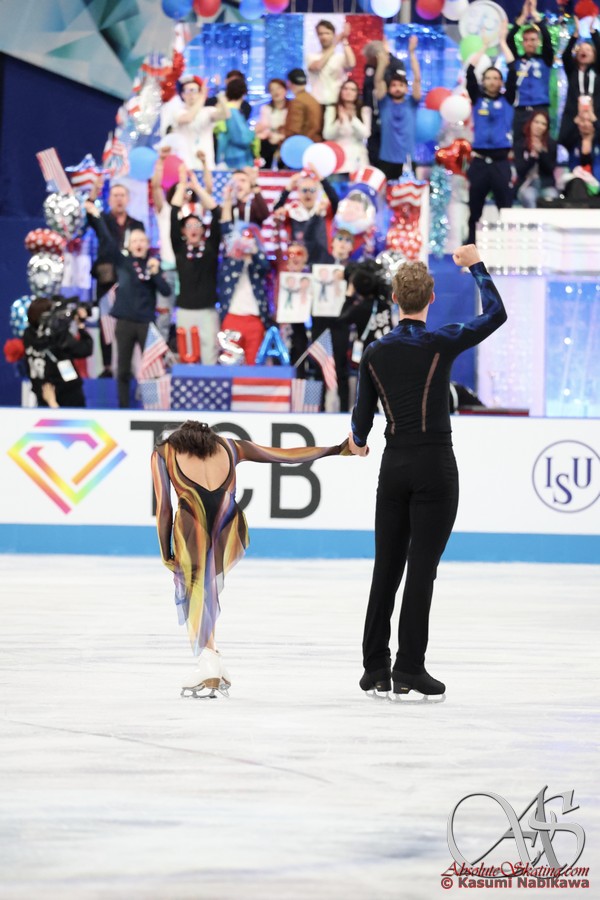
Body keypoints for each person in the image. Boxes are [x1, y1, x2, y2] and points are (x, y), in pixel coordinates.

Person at [348, 244, 507, 701]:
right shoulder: (442, 341)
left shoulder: (375, 352)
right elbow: (495, 314)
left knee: (386, 568)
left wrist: (358, 441)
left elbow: (362, 419)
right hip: (434, 467)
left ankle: (375, 668)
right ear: (431, 299)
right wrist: (475, 266)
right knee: (421, 570)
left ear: (395, 299)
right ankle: (409, 668)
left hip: (394, 467)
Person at [151, 420, 350, 697]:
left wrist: (166, 552)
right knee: (205, 588)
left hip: (191, 526)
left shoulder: (164, 452)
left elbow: (164, 508)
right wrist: (337, 449)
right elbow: (284, 455)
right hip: (228, 524)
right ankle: (214, 658)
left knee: (196, 589)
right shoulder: (229, 446)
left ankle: (208, 660)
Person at [86, 200, 171, 408]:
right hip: (124, 322)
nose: (139, 244)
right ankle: (123, 407)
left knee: (151, 368)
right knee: (123, 369)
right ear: (129, 245)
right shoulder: (122, 262)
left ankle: (152, 407)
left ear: (147, 243)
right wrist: (96, 216)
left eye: (142, 240)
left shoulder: (152, 264)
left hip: (145, 323)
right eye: (135, 241)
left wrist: (156, 273)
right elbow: (106, 239)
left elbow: (166, 291)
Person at [87, 181, 145, 378]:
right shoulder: (102, 219)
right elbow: (89, 212)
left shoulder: (136, 224)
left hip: (128, 278)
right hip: (107, 277)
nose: (119, 199)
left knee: (128, 321)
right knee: (106, 321)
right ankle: (107, 366)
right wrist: (94, 192)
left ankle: (129, 365)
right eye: (115, 195)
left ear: (128, 199)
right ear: (109, 199)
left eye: (122, 195)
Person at [466, 31, 517, 244]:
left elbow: (513, 70)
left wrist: (503, 42)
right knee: (474, 210)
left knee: (505, 208)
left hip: (500, 162)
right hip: (479, 162)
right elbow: (470, 71)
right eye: (488, 78)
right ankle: (471, 247)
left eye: (496, 78)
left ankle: (508, 247)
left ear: (501, 82)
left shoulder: (508, 99)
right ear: (483, 81)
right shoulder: (477, 98)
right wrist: (484, 48)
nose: (492, 81)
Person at [170, 166, 221, 364]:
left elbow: (216, 212)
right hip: (185, 311)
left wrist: (198, 188)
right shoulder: (180, 249)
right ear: (183, 231)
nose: (193, 229)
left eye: (197, 225)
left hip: (208, 311)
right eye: (188, 225)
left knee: (210, 353)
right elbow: (173, 212)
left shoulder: (210, 248)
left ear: (202, 229)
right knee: (187, 354)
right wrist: (182, 185)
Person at [219, 185, 271, 365]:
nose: (246, 240)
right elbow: (225, 228)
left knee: (253, 366)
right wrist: (227, 201)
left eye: (250, 237)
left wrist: (254, 252)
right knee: (229, 366)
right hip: (232, 316)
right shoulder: (231, 261)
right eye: (243, 236)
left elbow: (265, 267)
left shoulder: (259, 264)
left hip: (255, 319)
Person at [23, 297, 94, 408]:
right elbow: (84, 349)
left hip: (42, 391)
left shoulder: (28, 335)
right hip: (66, 394)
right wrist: (80, 326)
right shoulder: (58, 335)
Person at [506, 0, 554, 157]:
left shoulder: (545, 59)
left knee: (542, 149)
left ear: (538, 41)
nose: (529, 43)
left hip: (540, 110)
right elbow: (509, 39)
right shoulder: (516, 61)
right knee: (519, 148)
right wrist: (522, 17)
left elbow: (547, 39)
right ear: (523, 43)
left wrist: (535, 16)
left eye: (533, 39)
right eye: (526, 40)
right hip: (521, 110)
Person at [374, 36, 421, 180]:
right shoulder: (384, 103)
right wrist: (382, 63)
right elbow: (378, 81)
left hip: (408, 159)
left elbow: (417, 79)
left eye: (401, 85)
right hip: (387, 159)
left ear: (406, 89)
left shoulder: (412, 103)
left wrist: (411, 53)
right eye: (393, 85)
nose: (397, 88)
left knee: (410, 193)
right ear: (389, 89)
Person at [160, 74, 229, 171]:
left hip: (206, 165)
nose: (191, 94)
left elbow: (226, 115)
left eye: (195, 90)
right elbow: (188, 118)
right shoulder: (177, 112)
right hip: (184, 166)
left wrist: (220, 92)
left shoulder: (208, 111)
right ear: (182, 94)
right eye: (188, 91)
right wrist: (202, 97)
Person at [558, 17, 600, 151]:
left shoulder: (597, 72)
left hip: (595, 116)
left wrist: (593, 32)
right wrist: (575, 34)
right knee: (569, 146)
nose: (584, 51)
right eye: (581, 49)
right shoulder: (572, 71)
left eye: (588, 50)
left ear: (594, 56)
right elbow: (565, 56)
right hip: (573, 117)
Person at [362, 40, 406, 165]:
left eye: (369, 58)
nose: (367, 61)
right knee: (373, 148)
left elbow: (393, 87)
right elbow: (368, 86)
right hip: (372, 113)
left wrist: (382, 66)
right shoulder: (370, 66)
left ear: (376, 57)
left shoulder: (397, 65)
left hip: (390, 113)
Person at [323, 79, 371, 174]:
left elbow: (365, 134)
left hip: (358, 159)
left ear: (357, 93)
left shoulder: (364, 110)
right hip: (337, 156)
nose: (349, 92)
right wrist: (339, 121)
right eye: (345, 89)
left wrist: (352, 119)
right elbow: (327, 135)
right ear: (341, 91)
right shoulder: (332, 109)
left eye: (353, 90)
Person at [306, 19, 356, 107]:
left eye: (327, 33)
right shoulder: (312, 56)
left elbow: (351, 64)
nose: (324, 37)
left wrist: (344, 39)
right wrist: (335, 44)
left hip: (335, 103)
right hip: (316, 102)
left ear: (334, 35)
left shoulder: (339, 57)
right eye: (320, 34)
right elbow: (317, 66)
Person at [514, 110, 558, 207]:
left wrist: (541, 153)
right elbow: (520, 170)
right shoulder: (520, 144)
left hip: (545, 185)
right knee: (529, 196)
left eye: (543, 124)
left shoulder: (551, 144)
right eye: (536, 122)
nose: (539, 126)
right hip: (527, 184)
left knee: (552, 196)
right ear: (530, 123)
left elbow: (550, 168)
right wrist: (533, 156)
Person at [216, 78, 256, 169]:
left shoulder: (225, 109)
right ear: (244, 93)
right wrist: (254, 132)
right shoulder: (232, 112)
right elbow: (241, 138)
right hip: (235, 160)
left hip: (228, 157)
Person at [255, 78, 288, 170]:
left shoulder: (292, 108)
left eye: (278, 88)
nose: (276, 92)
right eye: (272, 90)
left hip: (286, 142)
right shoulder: (265, 108)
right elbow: (264, 126)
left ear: (285, 89)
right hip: (268, 141)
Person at [283, 69, 323, 143]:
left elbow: (294, 129)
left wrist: (282, 141)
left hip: (302, 144)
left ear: (289, 83)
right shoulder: (312, 99)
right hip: (314, 141)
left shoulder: (297, 101)